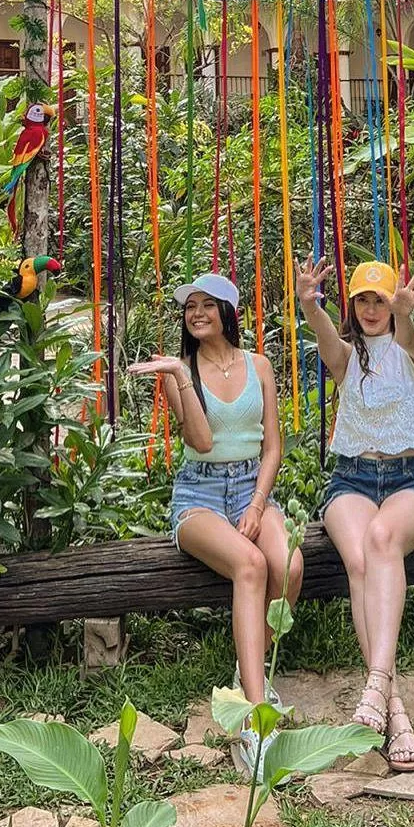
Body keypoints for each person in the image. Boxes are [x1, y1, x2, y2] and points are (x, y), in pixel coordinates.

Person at [127, 272, 302, 775]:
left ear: (228, 311)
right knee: (250, 565)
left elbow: (272, 446)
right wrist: (180, 379)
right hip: (199, 493)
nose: (196, 313)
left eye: (207, 305)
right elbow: (201, 442)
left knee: (287, 566)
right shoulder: (177, 369)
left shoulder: (260, 365)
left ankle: (252, 669)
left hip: (253, 487)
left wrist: (256, 505)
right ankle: (253, 718)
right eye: (189, 307)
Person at [295, 255, 414, 773]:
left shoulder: (412, 349)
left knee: (381, 541)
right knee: (360, 560)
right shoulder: (344, 356)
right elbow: (321, 328)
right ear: (352, 306)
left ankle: (377, 687)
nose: (374, 307)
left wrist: (405, 313)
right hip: (350, 479)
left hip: (410, 480)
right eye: (364, 299)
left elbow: (411, 339)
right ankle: (393, 707)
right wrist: (309, 301)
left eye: (382, 298)